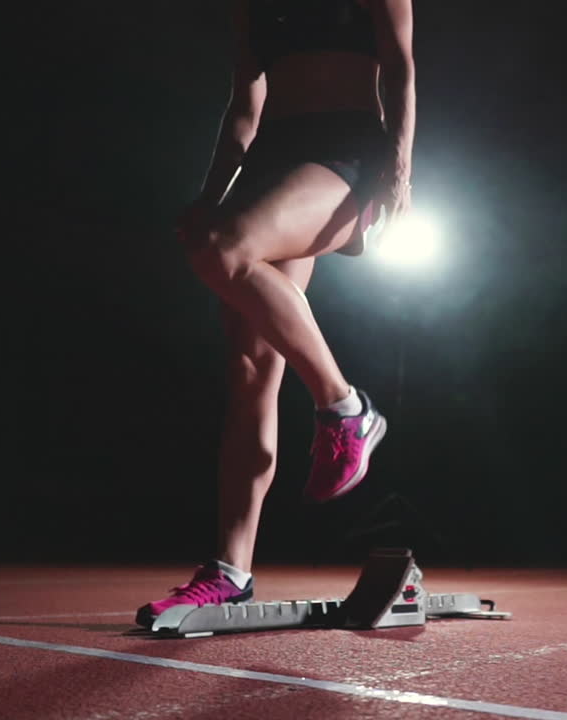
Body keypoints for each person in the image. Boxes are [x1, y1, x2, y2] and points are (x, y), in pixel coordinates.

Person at [136, 0, 416, 628]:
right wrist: (211, 196)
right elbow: (244, 105)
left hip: (344, 155)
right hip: (271, 159)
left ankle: (346, 407)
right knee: (250, 371)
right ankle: (230, 573)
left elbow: (399, 68)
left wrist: (398, 170)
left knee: (226, 248)